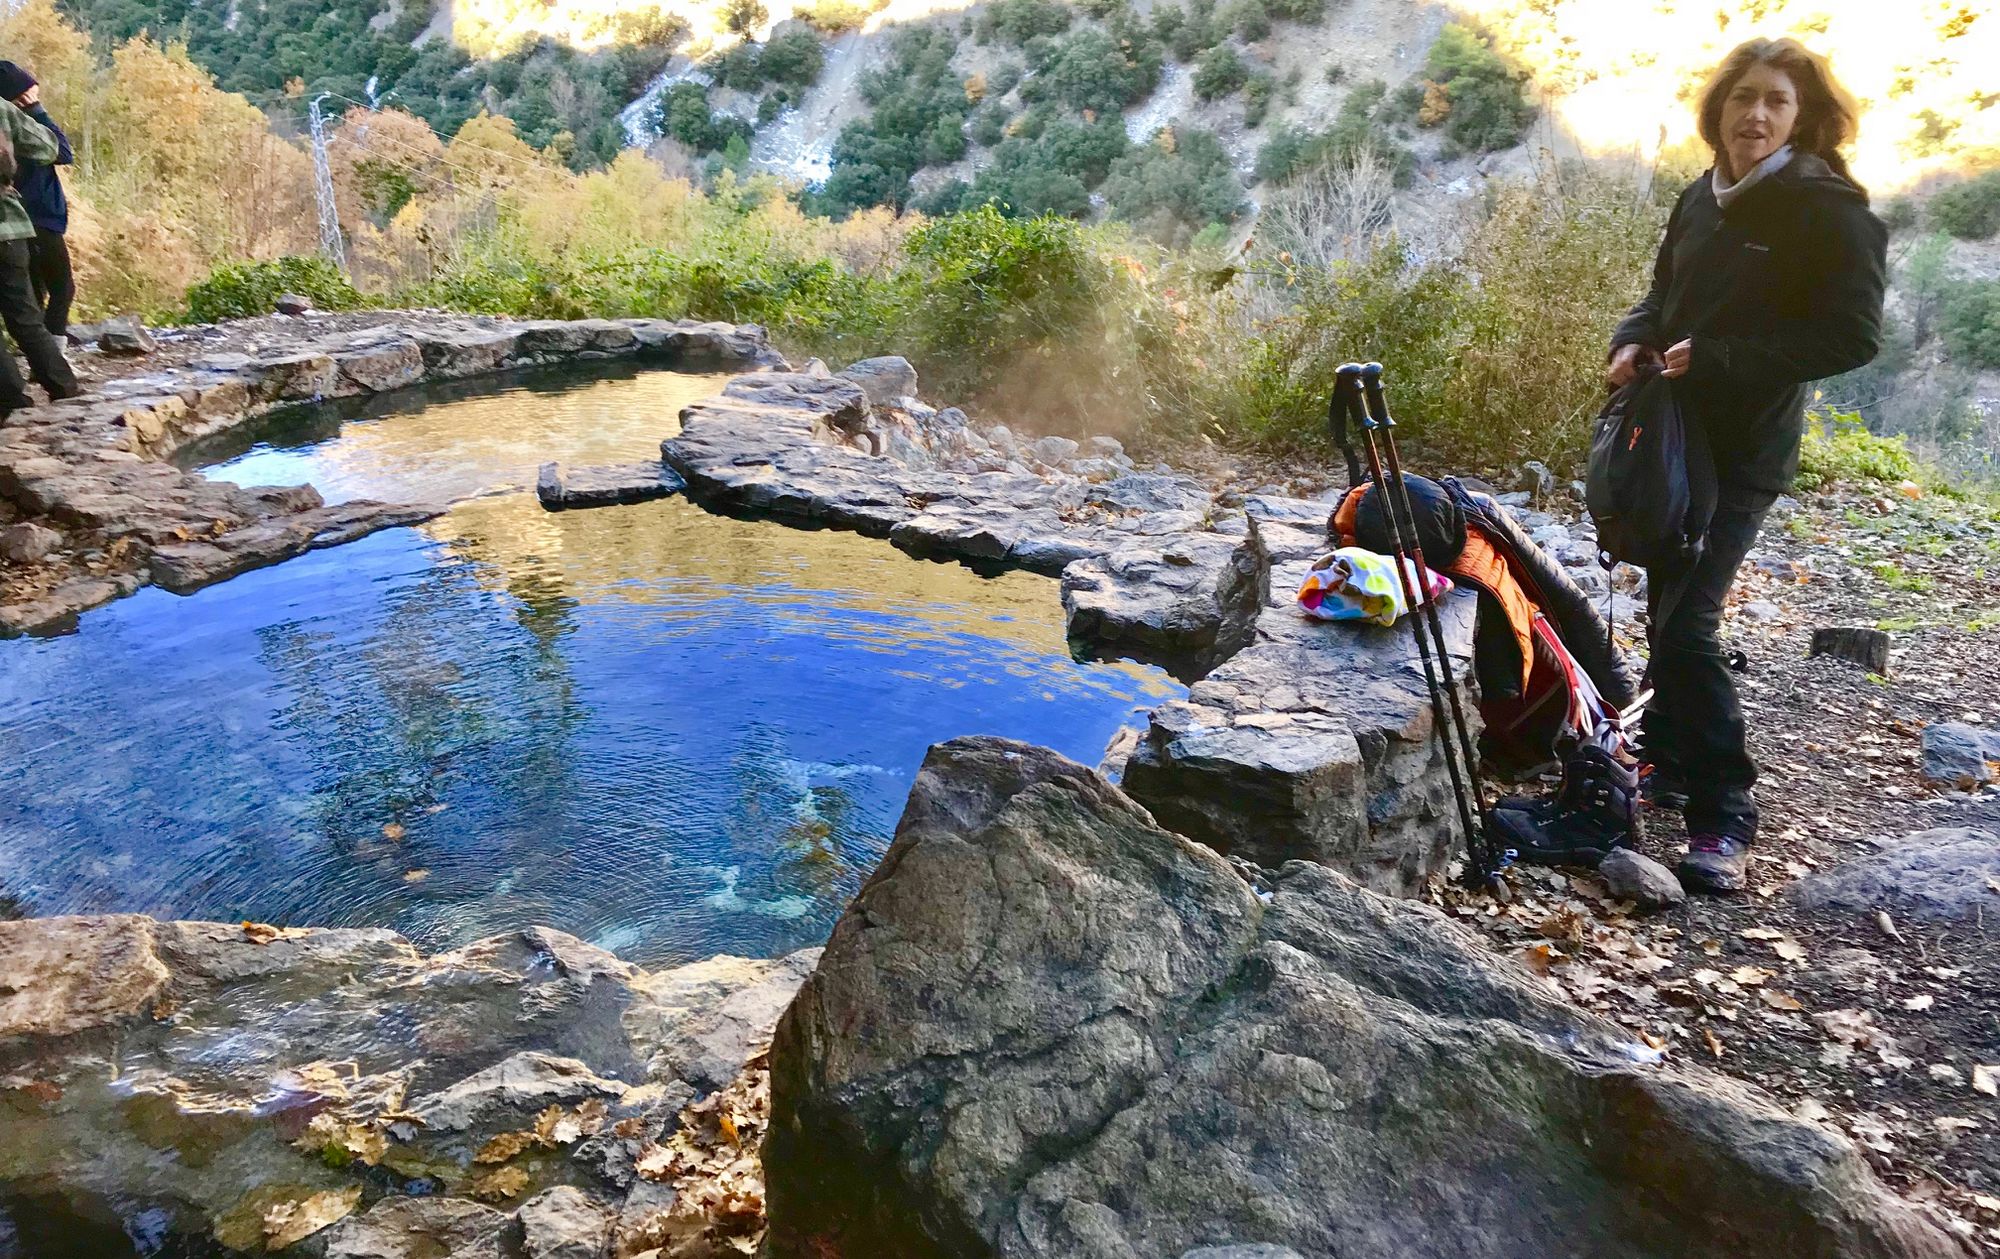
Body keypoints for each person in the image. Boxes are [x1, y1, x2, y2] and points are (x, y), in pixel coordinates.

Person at [1606, 38, 1887, 893]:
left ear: (1803, 118)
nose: (1755, 115)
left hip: (1747, 450)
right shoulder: (1703, 196)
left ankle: (1725, 813)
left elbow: (1851, 335)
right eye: (1743, 97)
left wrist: (1724, 357)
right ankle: (1667, 757)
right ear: (1719, 107)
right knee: (1666, 600)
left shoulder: (1829, 211)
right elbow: (1663, 291)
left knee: (1687, 623)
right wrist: (1633, 338)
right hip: (1670, 441)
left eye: (1776, 101)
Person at [0, 92, 76, 414]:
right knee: (27, 319)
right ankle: (64, 388)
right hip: (9, 231)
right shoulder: (2, 109)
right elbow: (50, 148)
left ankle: (12, 400)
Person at [0, 62, 74, 340]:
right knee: (62, 288)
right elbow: (63, 152)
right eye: (29, 92)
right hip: (38, 218)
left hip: (25, 221)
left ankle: (43, 358)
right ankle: (53, 356)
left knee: (35, 292)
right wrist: (37, 111)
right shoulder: (20, 129)